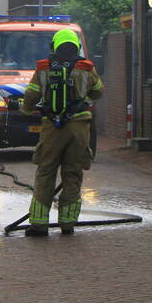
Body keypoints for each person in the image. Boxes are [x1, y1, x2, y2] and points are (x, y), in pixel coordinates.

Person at [19, 28, 103, 236]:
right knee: (73, 174)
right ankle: (67, 224)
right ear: (76, 45)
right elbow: (99, 91)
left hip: (52, 128)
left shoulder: (44, 68)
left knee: (46, 173)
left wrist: (26, 109)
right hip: (79, 128)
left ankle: (39, 225)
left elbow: (32, 94)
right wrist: (83, 100)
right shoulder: (86, 68)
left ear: (54, 46)